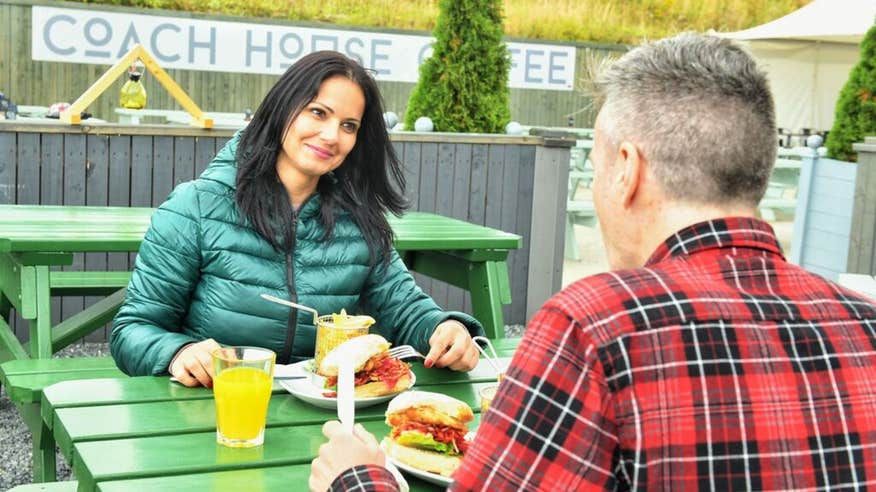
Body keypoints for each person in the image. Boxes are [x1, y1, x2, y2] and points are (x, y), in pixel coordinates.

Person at [308, 32, 876, 491]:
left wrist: (359, 479)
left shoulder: (592, 326)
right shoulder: (867, 324)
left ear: (626, 169)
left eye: (599, 163)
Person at [110, 51, 482, 387]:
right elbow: (133, 330)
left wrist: (445, 328)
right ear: (283, 108)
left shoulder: (360, 221)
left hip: (321, 416)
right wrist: (178, 353)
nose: (331, 135)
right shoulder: (196, 206)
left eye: (349, 125)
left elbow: (405, 308)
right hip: (213, 409)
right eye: (318, 113)